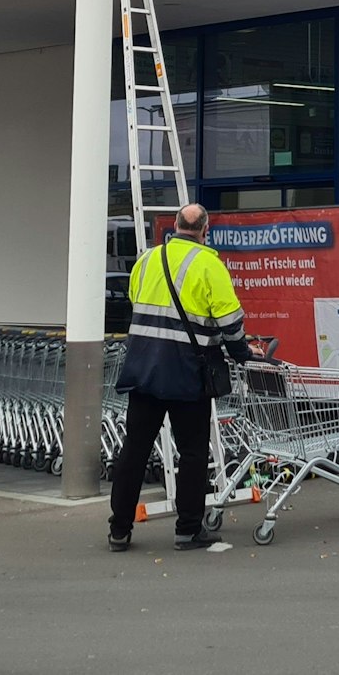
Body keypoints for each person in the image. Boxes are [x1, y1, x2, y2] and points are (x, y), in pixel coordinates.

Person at [106, 204, 254, 553]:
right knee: (192, 452)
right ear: (206, 229)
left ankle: (119, 530)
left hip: (143, 370)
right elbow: (230, 321)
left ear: (174, 226)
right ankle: (188, 530)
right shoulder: (209, 265)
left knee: (135, 451)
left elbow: (136, 303)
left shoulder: (146, 261)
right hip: (187, 374)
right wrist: (241, 354)